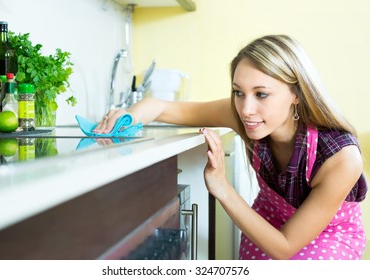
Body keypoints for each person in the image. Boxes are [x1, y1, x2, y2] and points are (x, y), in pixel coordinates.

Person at [94, 35, 367, 260]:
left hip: (328, 239)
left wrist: (222, 187)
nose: (246, 109)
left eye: (261, 94)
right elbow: (162, 107)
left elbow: (284, 247)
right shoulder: (244, 115)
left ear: (296, 93)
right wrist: (127, 115)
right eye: (238, 92)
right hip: (266, 221)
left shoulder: (341, 157)